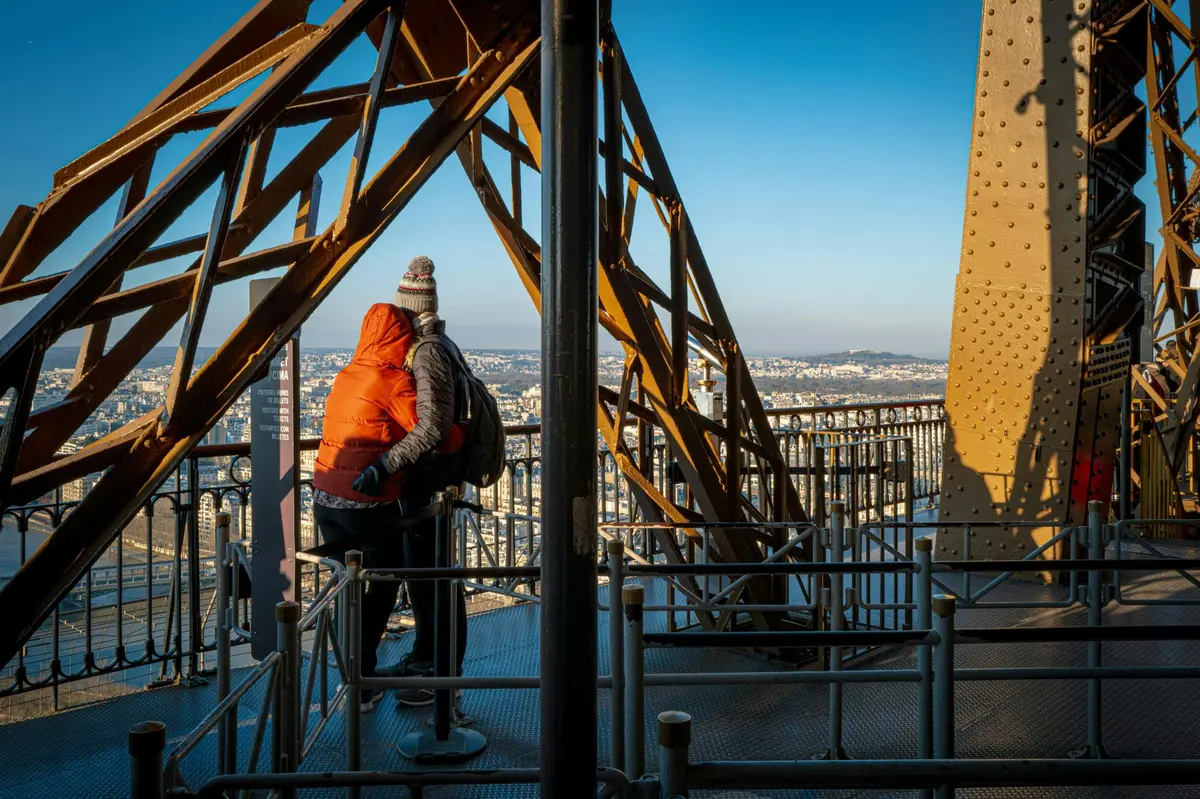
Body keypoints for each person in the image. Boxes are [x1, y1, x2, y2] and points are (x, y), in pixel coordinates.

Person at [352, 255, 469, 708]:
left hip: (428, 483)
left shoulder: (427, 352)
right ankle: (432, 665)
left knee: (430, 578)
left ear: (409, 311)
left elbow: (433, 427)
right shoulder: (441, 346)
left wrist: (384, 465)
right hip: (433, 481)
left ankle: (435, 675)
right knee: (430, 577)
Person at [312, 303, 421, 712]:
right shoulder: (391, 381)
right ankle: (362, 677)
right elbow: (430, 432)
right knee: (385, 580)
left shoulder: (345, 374)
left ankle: (350, 676)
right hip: (366, 500)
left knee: (348, 586)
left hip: (326, 496)